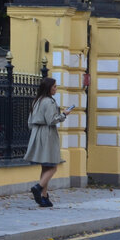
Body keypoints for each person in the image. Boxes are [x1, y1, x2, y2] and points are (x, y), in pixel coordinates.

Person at [24, 77, 73, 207]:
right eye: (55, 86)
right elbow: (52, 120)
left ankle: (44, 197)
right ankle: (38, 187)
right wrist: (64, 114)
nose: (56, 89)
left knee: (45, 166)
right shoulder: (49, 102)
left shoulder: (36, 101)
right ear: (49, 88)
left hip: (36, 132)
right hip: (48, 134)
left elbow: (29, 122)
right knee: (53, 166)